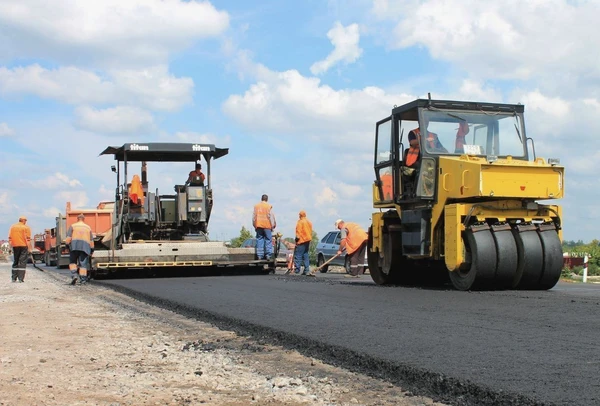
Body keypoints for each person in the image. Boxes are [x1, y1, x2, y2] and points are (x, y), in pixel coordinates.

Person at [65, 214, 94, 285]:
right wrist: (92, 249)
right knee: (83, 264)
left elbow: (68, 237)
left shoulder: (73, 226)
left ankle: (74, 275)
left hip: (74, 247)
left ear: (77, 219)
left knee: (73, 262)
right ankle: (83, 280)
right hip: (84, 248)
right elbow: (91, 240)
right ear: (84, 219)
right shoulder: (88, 227)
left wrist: (66, 246)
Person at [8, 215, 32, 282]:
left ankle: (13, 278)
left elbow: (10, 238)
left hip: (15, 246)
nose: (26, 222)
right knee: (22, 262)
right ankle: (21, 279)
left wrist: (10, 247)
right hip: (23, 246)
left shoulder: (13, 227)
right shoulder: (26, 228)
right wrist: (30, 249)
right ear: (23, 221)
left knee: (16, 261)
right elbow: (28, 239)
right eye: (25, 221)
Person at [252, 194, 276, 260]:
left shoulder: (256, 206)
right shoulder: (268, 206)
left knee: (259, 240)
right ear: (267, 199)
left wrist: (255, 225)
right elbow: (271, 217)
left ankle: (260, 255)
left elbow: (254, 217)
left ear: (261, 199)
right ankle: (268, 255)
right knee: (268, 240)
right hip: (267, 226)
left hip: (259, 226)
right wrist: (273, 225)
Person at [294, 210, 313, 275]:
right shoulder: (309, 222)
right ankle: (306, 270)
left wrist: (296, 239)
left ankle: (297, 269)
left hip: (301, 240)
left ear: (300, 215)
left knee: (298, 255)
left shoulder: (300, 222)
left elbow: (298, 232)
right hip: (308, 240)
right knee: (305, 254)